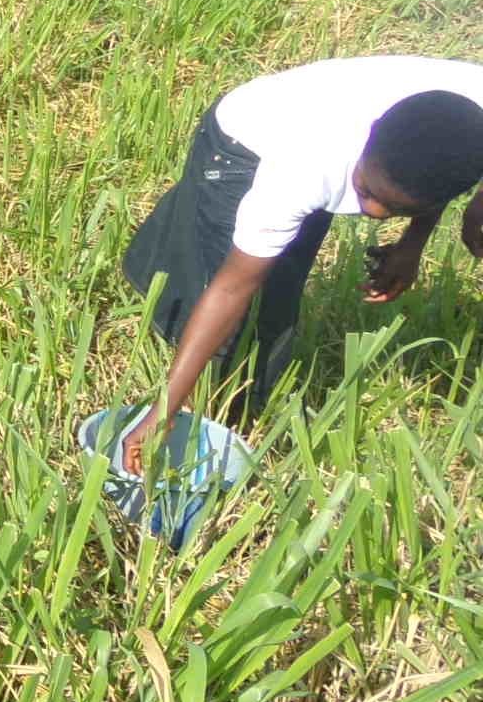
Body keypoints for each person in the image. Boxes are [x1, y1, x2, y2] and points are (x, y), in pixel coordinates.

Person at [120, 55, 483, 476]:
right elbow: (232, 288)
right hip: (245, 140)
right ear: (365, 140)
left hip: (349, 142)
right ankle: (217, 399)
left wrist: (412, 243)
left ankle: (249, 400)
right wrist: (163, 412)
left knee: (282, 280)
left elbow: (442, 179)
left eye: (396, 209)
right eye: (366, 191)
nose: (375, 213)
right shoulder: (306, 167)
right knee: (235, 286)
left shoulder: (462, 135)